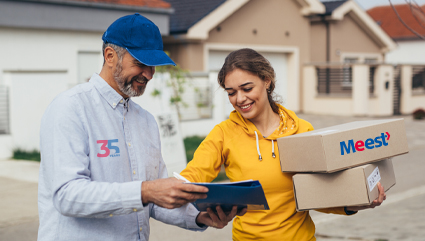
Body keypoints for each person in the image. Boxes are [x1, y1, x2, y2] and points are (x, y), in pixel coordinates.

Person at [37, 13, 242, 241]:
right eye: (140, 63)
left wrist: (198, 216)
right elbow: (67, 196)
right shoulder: (70, 108)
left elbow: (155, 201)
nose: (149, 74)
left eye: (153, 65)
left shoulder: (146, 121)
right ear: (110, 56)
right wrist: (145, 191)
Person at [180, 48, 387, 240]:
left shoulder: (301, 131)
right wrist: (171, 189)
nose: (240, 99)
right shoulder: (223, 134)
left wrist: (356, 203)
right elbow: (193, 175)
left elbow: (318, 194)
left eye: (247, 88)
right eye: (231, 92)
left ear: (267, 81)